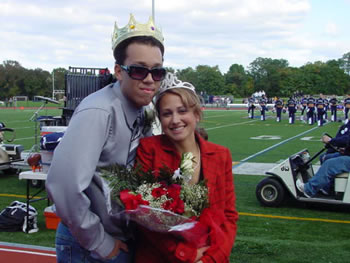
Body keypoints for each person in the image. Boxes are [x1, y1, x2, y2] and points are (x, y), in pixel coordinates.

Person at [46, 14, 166, 262]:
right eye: (138, 69)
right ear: (119, 72)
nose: (149, 79)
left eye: (157, 71)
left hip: (121, 237)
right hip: (91, 245)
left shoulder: (143, 108)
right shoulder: (99, 111)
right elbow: (64, 185)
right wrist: (99, 242)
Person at [134, 73, 238, 263]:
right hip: (160, 257)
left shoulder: (220, 155)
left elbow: (228, 216)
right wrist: (184, 254)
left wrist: (212, 258)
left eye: (182, 111)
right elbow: (144, 215)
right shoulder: (149, 149)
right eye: (167, 113)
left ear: (196, 114)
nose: (175, 120)